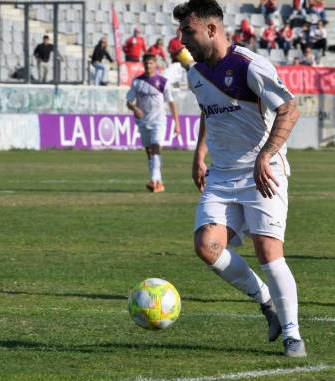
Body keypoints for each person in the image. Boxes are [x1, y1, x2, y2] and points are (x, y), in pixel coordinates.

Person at [174, 0, 306, 357]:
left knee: (268, 251)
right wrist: (199, 155)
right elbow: (209, 113)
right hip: (221, 175)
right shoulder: (195, 73)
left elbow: (289, 108)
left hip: (262, 172)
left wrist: (266, 154)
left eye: (188, 31)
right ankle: (267, 303)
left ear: (212, 29)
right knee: (207, 247)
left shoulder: (250, 66)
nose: (181, 39)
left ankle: (293, 335)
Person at [126, 54, 181, 193]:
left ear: (155, 64)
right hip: (143, 121)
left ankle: (154, 179)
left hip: (159, 121)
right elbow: (129, 101)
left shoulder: (163, 82)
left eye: (150, 63)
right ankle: (159, 183)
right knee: (149, 152)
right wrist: (135, 108)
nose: (147, 65)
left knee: (156, 147)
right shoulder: (137, 82)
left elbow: (171, 103)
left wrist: (177, 123)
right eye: (145, 63)